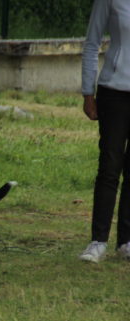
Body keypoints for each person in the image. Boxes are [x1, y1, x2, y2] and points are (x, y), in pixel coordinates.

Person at [79, 0, 130, 263]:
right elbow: (91, 43)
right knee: (110, 166)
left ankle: (126, 242)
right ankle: (98, 241)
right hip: (114, 93)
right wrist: (88, 91)